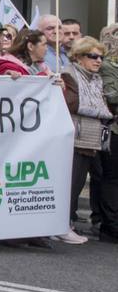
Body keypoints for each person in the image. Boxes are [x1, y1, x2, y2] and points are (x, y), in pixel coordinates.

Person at [60, 37, 111, 245]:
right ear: (79, 57)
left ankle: (69, 222)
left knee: (81, 183)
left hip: (92, 137)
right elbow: (73, 104)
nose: (98, 61)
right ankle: (63, 224)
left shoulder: (96, 78)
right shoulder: (69, 74)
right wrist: (104, 112)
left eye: (100, 57)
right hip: (75, 136)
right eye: (92, 56)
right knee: (71, 183)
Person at [96, 24, 118, 243]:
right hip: (113, 129)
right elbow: (112, 95)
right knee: (111, 177)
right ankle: (110, 226)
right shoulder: (108, 66)